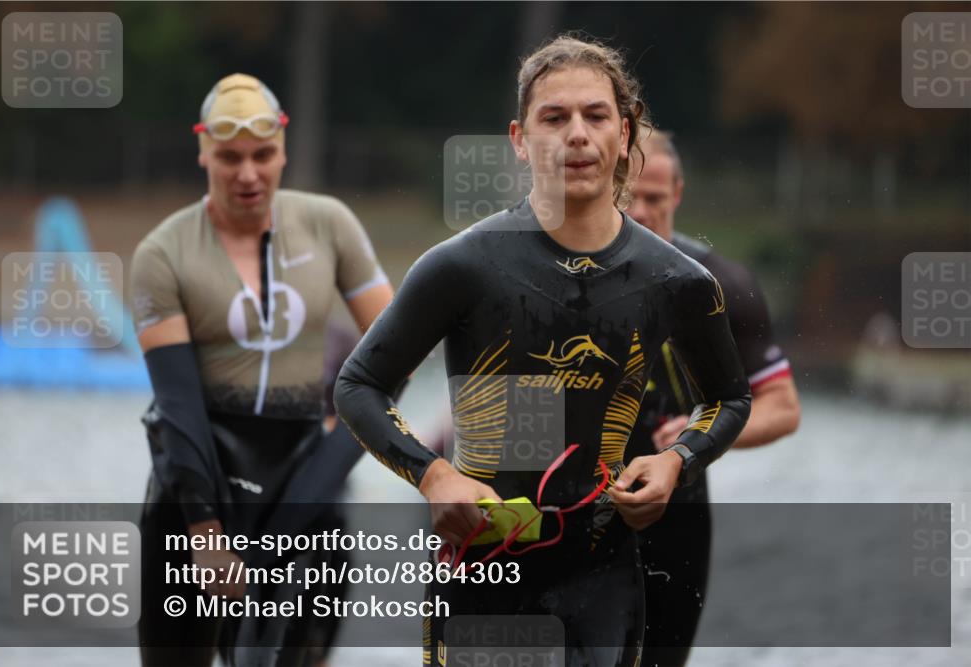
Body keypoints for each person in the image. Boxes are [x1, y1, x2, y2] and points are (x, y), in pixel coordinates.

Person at [334, 36, 751, 666]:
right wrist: (433, 474)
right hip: (481, 569)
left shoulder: (675, 281)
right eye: (554, 118)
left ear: (625, 133)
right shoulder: (463, 266)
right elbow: (358, 385)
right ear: (520, 140)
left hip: (603, 575)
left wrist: (677, 463)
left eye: (595, 115)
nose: (576, 134)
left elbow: (730, 398)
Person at [130, 73, 393, 667]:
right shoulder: (162, 253)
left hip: (302, 481)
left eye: (262, 155)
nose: (247, 174)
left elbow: (393, 355)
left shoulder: (330, 225)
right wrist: (202, 530)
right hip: (198, 482)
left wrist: (342, 448)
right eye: (228, 157)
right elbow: (177, 404)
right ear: (202, 151)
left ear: (283, 148)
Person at [623, 129, 801, 667]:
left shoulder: (720, 285)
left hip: (677, 503)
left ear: (677, 194)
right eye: (628, 195)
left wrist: (695, 439)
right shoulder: (562, 278)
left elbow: (782, 407)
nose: (642, 211)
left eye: (654, 198)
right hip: (577, 501)